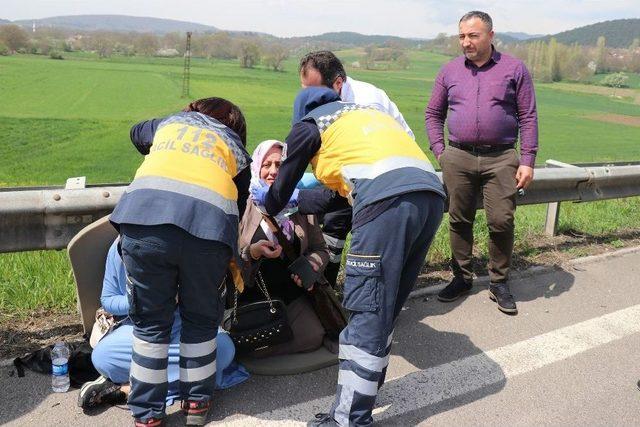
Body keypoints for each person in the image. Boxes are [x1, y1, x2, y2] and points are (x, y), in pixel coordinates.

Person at [251, 87, 445, 426]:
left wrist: (268, 201)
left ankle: (348, 419)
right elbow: (334, 199)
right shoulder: (366, 117)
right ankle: (366, 393)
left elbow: (279, 192)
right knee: (385, 307)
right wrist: (299, 201)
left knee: (366, 311)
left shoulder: (309, 126)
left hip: (386, 204)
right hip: (429, 198)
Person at [109, 97, 252, 426]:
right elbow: (238, 207)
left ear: (193, 111)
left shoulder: (169, 124)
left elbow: (136, 133)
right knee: (201, 322)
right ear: (237, 129)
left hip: (143, 224)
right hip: (208, 233)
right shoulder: (237, 151)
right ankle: (196, 408)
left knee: (149, 326)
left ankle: (147, 415)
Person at [425, 11, 538, 315]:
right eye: (462, 36)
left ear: (490, 35)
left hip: (501, 157)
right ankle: (462, 277)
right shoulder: (449, 71)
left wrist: (527, 160)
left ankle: (499, 282)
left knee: (501, 221)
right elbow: (433, 114)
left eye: (473, 35)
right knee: (459, 219)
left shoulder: (514, 69)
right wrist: (441, 151)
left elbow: (528, 116)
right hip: (458, 156)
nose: (466, 42)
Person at [78, 240, 249, 410]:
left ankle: (135, 388)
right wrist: (140, 300)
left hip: (184, 328)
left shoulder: (182, 239)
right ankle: (190, 384)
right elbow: (108, 300)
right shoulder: (119, 247)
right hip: (139, 329)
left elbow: (208, 297)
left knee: (224, 349)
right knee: (102, 356)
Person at [296, 50, 415, 288]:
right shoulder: (327, 97)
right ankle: (328, 294)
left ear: (338, 83)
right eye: (304, 90)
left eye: (314, 90)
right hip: (348, 182)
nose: (309, 97)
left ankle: (371, 304)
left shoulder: (367, 100)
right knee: (332, 236)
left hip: (380, 184)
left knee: (372, 249)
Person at [237, 139, 329, 358]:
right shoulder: (242, 205)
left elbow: (320, 249)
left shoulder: (301, 203)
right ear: (256, 166)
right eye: (266, 165)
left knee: (314, 336)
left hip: (291, 293)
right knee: (245, 336)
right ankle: (252, 344)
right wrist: (253, 252)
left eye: (279, 165)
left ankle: (256, 349)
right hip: (252, 292)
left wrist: (311, 264)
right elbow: (228, 259)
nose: (273, 172)